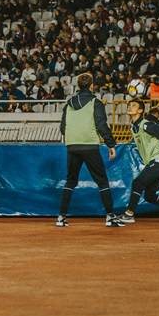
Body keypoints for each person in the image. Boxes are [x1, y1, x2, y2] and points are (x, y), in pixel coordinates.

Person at [55, 73, 121, 227]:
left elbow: (62, 128)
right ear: (92, 86)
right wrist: (111, 145)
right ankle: (110, 217)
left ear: (78, 86)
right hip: (89, 145)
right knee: (102, 181)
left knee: (70, 181)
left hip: (72, 146)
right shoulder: (95, 102)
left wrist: (73, 137)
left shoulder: (68, 103)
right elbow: (102, 125)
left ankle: (61, 217)